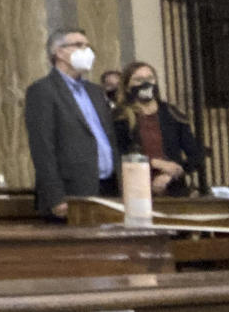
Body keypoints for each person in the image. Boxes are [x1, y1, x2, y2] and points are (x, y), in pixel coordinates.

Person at [24, 28, 120, 220]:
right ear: (59, 52)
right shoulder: (43, 90)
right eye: (79, 45)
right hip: (72, 192)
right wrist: (56, 196)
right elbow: (43, 148)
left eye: (88, 46)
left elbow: (108, 138)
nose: (87, 51)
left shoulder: (95, 91)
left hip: (109, 188)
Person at [113, 61, 203, 196]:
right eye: (139, 80)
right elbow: (119, 153)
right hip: (135, 188)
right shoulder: (119, 117)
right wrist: (154, 163)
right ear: (127, 86)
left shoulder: (172, 113)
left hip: (174, 190)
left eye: (150, 78)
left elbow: (196, 154)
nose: (145, 83)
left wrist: (172, 173)